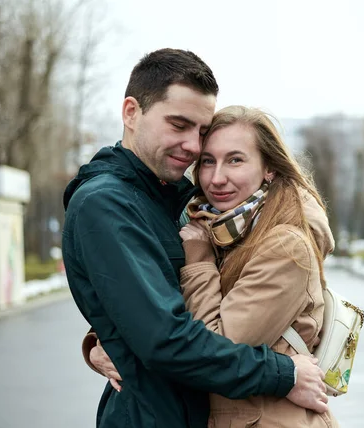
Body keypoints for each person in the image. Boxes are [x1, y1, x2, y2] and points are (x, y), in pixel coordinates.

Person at [62, 48, 328, 428]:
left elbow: (160, 300)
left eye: (201, 131)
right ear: (131, 113)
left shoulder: (184, 204)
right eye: (178, 124)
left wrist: (116, 337)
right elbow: (165, 338)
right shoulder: (107, 205)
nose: (192, 145)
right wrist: (283, 374)